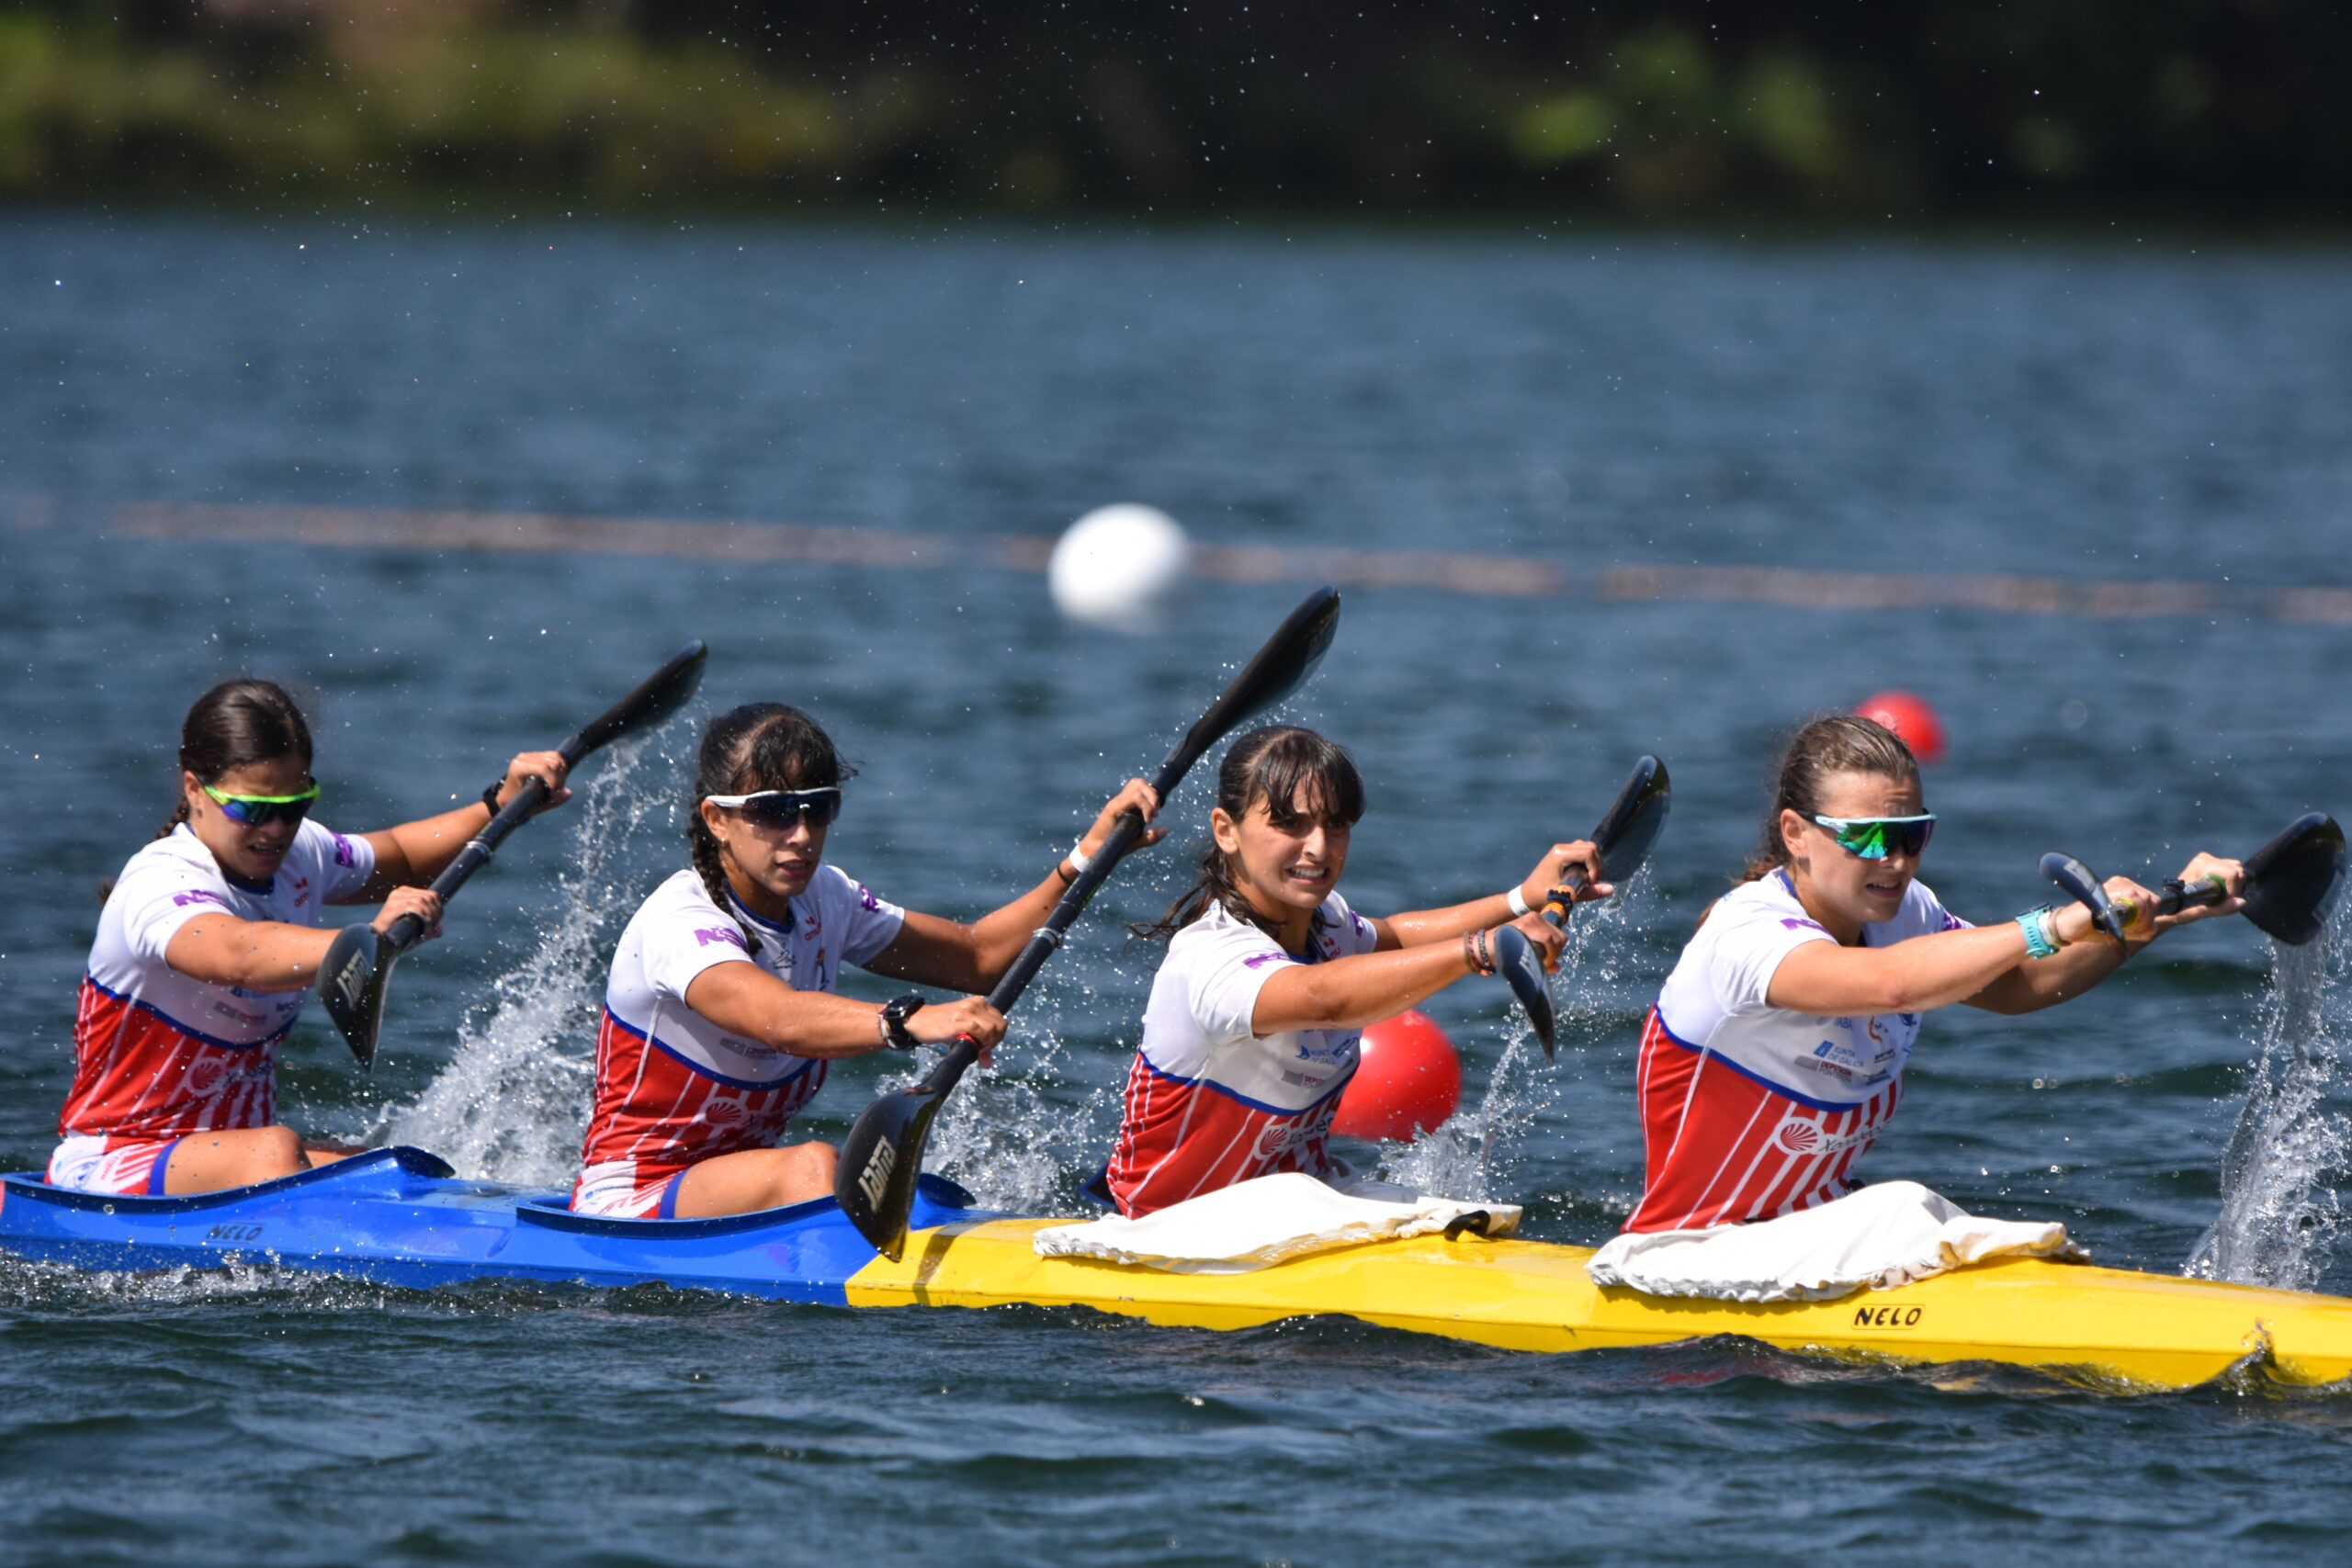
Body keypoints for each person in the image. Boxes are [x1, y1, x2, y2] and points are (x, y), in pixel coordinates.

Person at [1622, 714, 2244, 1235]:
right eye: (1868, 837)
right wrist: (2052, 924)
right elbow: (1891, 983)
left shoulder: (1904, 908)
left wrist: (2159, 916)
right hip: (1688, 1249)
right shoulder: (1746, 935)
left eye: (1912, 834)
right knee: (1910, 1209)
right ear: (1797, 833)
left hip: (1812, 1232)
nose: (1895, 861)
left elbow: (2016, 984)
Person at [572, 701, 1163, 1220]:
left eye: (818, 808)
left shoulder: (823, 896)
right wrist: (905, 1021)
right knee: (809, 1169)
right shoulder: (681, 923)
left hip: (735, 1194)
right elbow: (780, 1020)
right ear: (717, 819)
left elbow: (979, 956)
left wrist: (1087, 856)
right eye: (775, 811)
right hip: (632, 1200)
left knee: (926, 1194)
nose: (801, 834)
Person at [56, 678, 571, 1197]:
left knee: (400, 1171)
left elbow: (402, 854)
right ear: (195, 789)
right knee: (276, 1149)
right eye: (254, 809)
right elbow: (236, 953)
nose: (277, 829)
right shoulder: (160, 882)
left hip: (231, 1156)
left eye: (295, 804)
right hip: (114, 1159)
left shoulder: (301, 855)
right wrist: (361, 939)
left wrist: (501, 804)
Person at [1106, 725, 1611, 1218]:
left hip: (1293, 1201)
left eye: (1336, 824)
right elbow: (1323, 998)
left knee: (1483, 1221)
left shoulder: (1325, 923)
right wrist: (1480, 949)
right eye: (1290, 823)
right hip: (1170, 1223)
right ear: (1226, 830)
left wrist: (1521, 898)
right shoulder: (1212, 958)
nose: (1319, 849)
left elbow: (1395, 935)